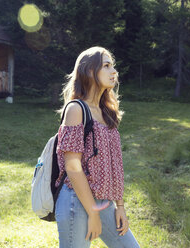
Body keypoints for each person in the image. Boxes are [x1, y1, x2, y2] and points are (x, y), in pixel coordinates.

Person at [55, 46, 140, 248]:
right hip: (77, 201)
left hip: (104, 202)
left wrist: (119, 206)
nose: (114, 72)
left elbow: (115, 166)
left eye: (114, 66)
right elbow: (73, 168)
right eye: (107, 66)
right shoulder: (76, 109)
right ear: (90, 71)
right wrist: (92, 212)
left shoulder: (106, 112)